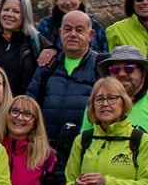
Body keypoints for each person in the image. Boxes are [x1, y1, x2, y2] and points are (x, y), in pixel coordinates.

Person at [28, 9, 102, 162]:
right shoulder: (47, 65)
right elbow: (29, 103)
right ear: (60, 32)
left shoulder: (100, 68)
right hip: (45, 152)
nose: (73, 34)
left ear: (91, 35)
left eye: (79, 30)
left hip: (85, 153)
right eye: (67, 29)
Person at [103, 45, 148, 136]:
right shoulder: (97, 107)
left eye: (129, 69)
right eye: (115, 69)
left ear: (143, 74)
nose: (121, 74)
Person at [36, 0, 108, 61]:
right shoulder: (45, 26)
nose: (67, 2)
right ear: (56, 0)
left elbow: (104, 56)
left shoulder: (94, 25)